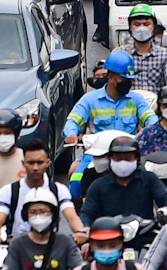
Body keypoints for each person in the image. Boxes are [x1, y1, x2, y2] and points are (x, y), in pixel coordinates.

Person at [61, 50, 158, 180]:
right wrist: (71, 134)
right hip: (96, 155)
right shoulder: (89, 100)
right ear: (111, 77)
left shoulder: (137, 100)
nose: (128, 82)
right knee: (76, 179)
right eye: (124, 78)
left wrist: (152, 130)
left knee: (151, 179)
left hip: (128, 154)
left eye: (130, 79)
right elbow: (73, 120)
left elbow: (151, 118)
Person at [0, 138, 84, 244]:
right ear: (23, 163)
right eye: (31, 163)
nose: (35, 167)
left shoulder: (58, 190)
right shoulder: (10, 191)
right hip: (17, 250)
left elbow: (72, 217)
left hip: (50, 249)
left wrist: (80, 232)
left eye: (40, 162)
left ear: (48, 163)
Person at [79, 132, 167, 227]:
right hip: (111, 236)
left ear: (137, 158)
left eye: (128, 158)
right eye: (118, 158)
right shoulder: (98, 185)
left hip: (145, 233)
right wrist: (85, 228)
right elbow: (86, 213)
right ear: (110, 159)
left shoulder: (149, 179)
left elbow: (166, 200)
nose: (123, 163)